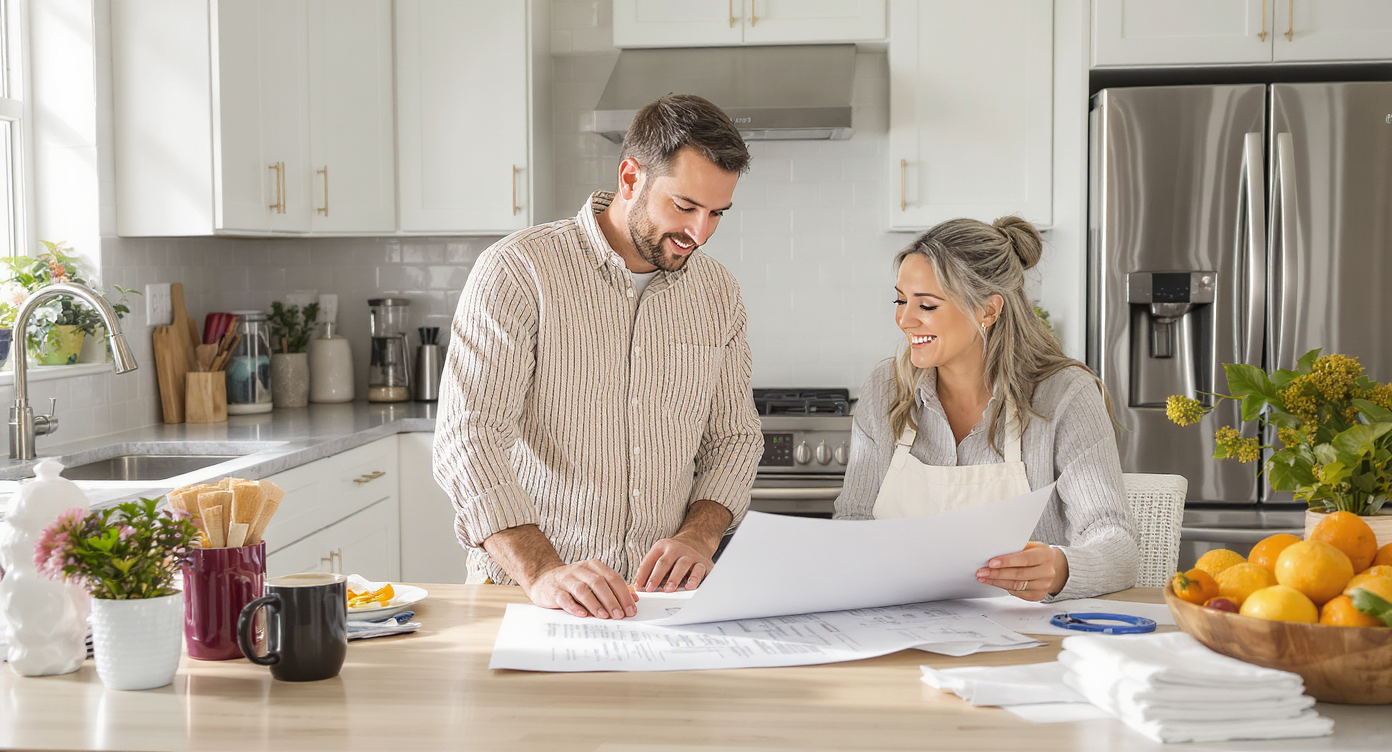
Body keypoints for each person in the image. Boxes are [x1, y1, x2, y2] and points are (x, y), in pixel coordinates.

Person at [434, 95, 763, 620]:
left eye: (716, 213)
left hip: (658, 609)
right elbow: (468, 437)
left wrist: (700, 537)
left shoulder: (717, 292)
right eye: (684, 206)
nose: (700, 233)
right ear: (631, 178)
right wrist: (542, 572)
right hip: (528, 601)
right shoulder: (520, 271)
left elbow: (733, 440)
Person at [835, 217, 1139, 601]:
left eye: (926, 305)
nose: (904, 319)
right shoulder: (886, 389)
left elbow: (1117, 544)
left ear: (989, 310)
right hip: (901, 628)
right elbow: (853, 523)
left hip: (1027, 637)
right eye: (900, 300)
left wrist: (1063, 568)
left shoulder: (1064, 395)